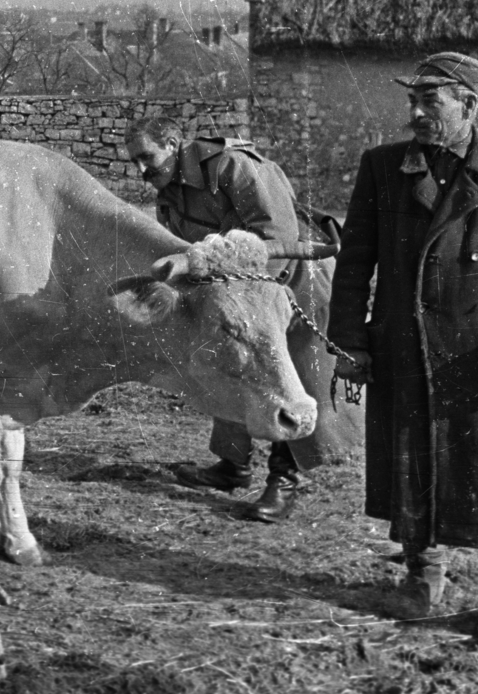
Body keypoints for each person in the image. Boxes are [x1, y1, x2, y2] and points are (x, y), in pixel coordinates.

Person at [326, 52, 478, 649]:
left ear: (469, 106)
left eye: (431, 100)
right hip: (404, 345)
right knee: (412, 460)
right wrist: (350, 342)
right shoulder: (383, 168)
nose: (416, 111)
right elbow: (353, 265)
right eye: (413, 100)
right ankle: (420, 576)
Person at [125, 116, 362, 524]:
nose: (142, 170)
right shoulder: (170, 192)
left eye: (147, 157)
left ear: (173, 141)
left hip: (296, 284)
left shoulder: (232, 166)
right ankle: (232, 466)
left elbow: (277, 239)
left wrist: (220, 279)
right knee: (231, 363)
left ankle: (283, 482)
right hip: (240, 294)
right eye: (136, 162)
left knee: (290, 380)